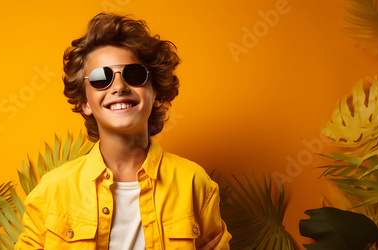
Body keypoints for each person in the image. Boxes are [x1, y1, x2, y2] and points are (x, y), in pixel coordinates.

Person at [15, 12, 231, 249]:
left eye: (134, 74)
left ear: (156, 93)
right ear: (85, 102)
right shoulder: (51, 191)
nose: (118, 86)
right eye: (100, 78)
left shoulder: (194, 183)